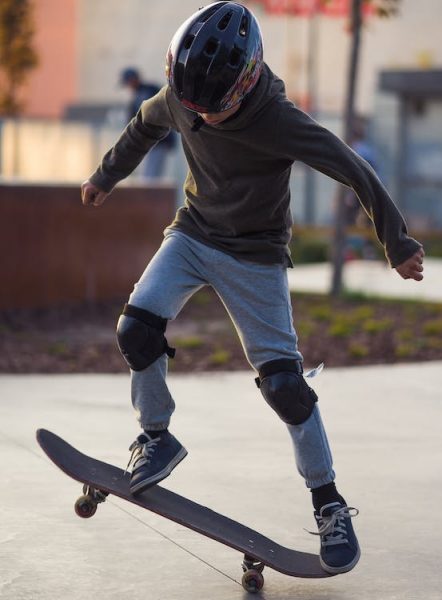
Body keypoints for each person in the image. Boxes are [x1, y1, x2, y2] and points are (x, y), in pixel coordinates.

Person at [81, 2, 424, 575]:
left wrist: (398, 243)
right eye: (192, 109)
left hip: (256, 256)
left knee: (286, 388)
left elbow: (354, 170)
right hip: (191, 234)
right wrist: (105, 176)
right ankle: (156, 435)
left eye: (214, 110)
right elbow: (145, 125)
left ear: (245, 85)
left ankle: (329, 504)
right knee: (136, 327)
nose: (201, 120)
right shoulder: (182, 96)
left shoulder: (280, 120)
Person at [120, 67, 176, 178]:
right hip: (148, 143)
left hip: (157, 141)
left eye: (128, 82)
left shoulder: (148, 91)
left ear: (133, 79)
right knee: (148, 177)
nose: (128, 86)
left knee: (150, 178)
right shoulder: (138, 94)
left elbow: (163, 114)